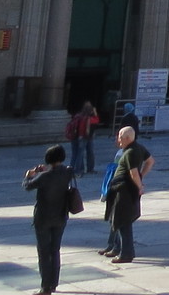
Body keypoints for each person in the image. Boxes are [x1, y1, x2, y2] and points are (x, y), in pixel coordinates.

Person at [23, 144, 74, 295]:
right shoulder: (68, 172)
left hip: (43, 217)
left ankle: (45, 286)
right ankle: (53, 283)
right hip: (60, 216)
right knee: (55, 250)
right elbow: (61, 172)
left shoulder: (44, 177)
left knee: (44, 252)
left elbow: (27, 186)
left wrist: (29, 175)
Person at [102, 125, 152, 264]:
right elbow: (150, 161)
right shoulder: (138, 148)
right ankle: (118, 248)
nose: (118, 140)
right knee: (119, 220)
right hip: (123, 188)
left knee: (123, 221)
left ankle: (126, 254)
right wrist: (141, 178)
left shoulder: (130, 152)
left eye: (120, 137)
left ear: (128, 138)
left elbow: (133, 172)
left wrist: (140, 184)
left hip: (124, 190)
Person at [65, 101, 100, 174]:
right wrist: (95, 112)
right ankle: (82, 170)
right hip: (84, 137)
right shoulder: (89, 118)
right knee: (83, 153)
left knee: (75, 154)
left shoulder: (77, 116)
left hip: (74, 137)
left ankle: (74, 169)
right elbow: (97, 120)